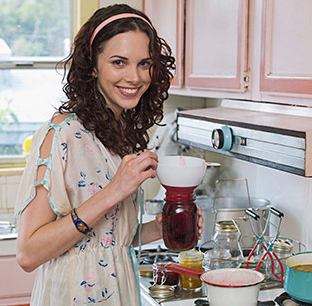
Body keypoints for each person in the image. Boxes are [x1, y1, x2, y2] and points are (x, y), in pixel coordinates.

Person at [14, 4, 203, 306]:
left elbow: (105, 242)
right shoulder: (61, 135)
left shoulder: (120, 134)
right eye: (119, 62)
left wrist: (159, 229)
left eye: (144, 64)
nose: (135, 76)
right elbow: (28, 253)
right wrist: (114, 190)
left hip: (119, 292)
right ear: (92, 66)